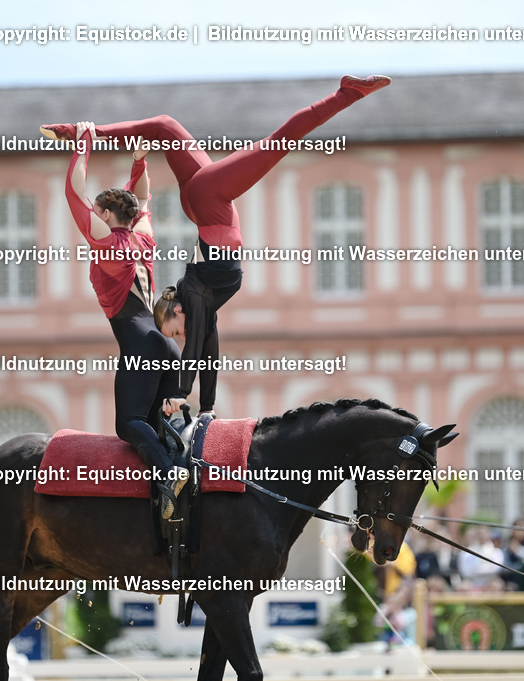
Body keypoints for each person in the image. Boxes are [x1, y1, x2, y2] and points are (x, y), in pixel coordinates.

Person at [44, 75, 391, 416]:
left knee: (277, 141)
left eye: (175, 331)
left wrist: (180, 394)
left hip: (208, 201)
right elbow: (210, 354)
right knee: (165, 126)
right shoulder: (200, 300)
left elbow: (195, 351)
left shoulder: (195, 297)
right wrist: (207, 408)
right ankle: (84, 132)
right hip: (201, 203)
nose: (180, 337)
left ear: (177, 311)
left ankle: (347, 94)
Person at [51, 120, 187, 519]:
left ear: (107, 214)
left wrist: (85, 142)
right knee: (156, 425)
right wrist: (139, 161)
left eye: (98, 211)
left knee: (129, 423)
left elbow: (73, 191)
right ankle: (173, 494)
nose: (92, 214)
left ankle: (171, 474)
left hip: (140, 344)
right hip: (167, 345)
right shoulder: (143, 238)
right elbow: (144, 200)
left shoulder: (107, 242)